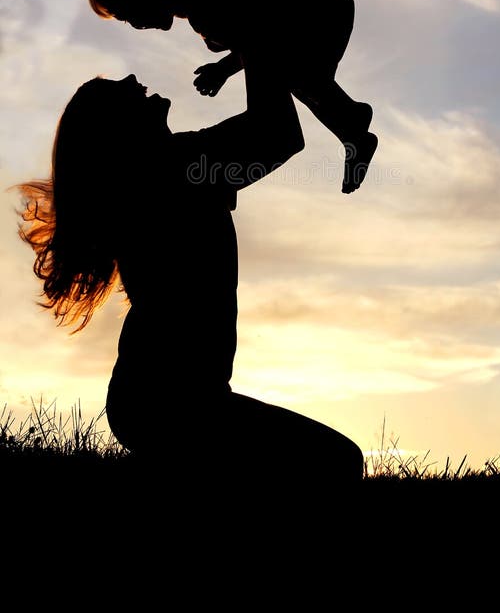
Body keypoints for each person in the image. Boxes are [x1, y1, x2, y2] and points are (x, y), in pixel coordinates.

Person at [17, 44, 364, 490]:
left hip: (161, 401)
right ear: (116, 133)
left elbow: (274, 136)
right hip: (173, 404)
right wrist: (258, 36)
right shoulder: (176, 167)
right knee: (336, 462)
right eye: (115, 92)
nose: (129, 81)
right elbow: (277, 133)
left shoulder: (173, 166)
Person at [88, 0, 378, 194]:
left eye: (127, 14)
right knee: (296, 76)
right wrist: (223, 69)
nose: (135, 25)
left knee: (291, 76)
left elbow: (258, 34)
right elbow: (255, 40)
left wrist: (225, 70)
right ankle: (352, 124)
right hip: (317, 4)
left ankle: (352, 120)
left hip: (317, 3)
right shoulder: (200, 6)